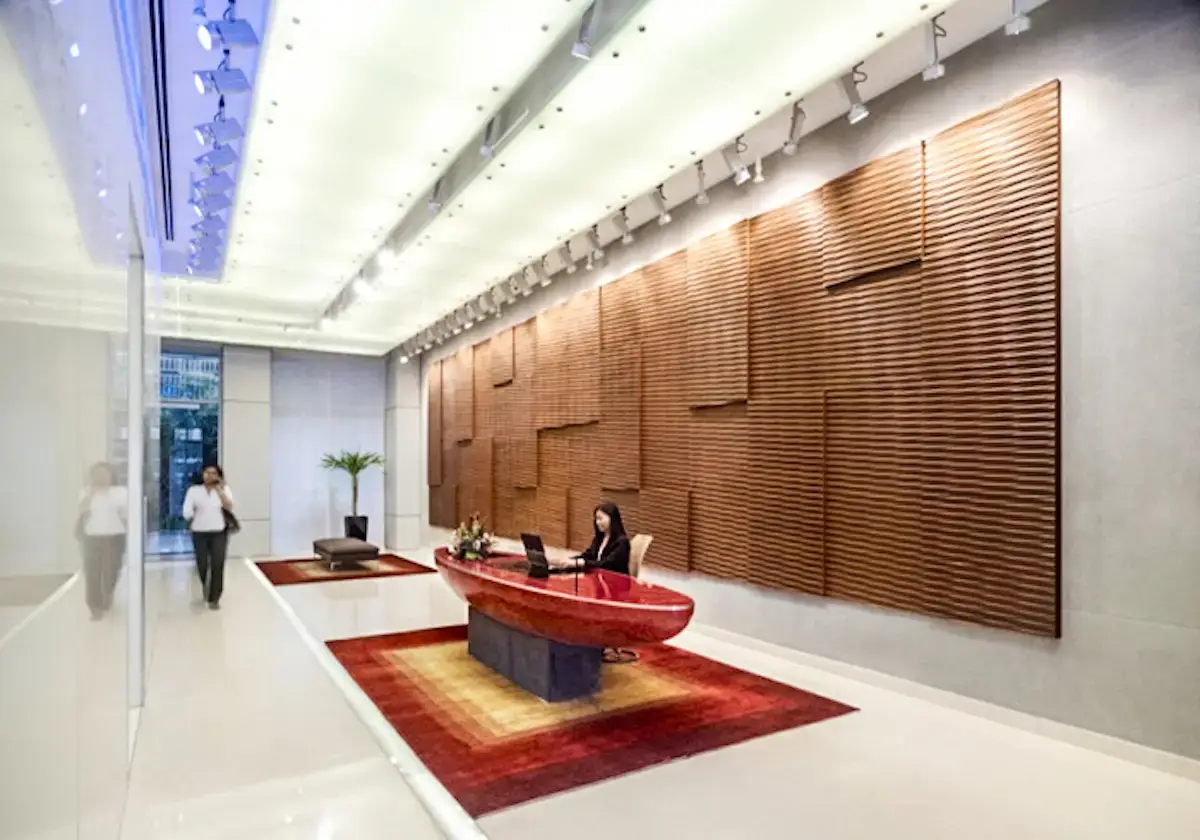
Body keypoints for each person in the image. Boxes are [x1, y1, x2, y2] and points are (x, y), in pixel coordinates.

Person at [78, 462, 127, 620]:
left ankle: (107, 594)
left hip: (115, 537)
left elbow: (125, 515)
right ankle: (95, 606)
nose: (101, 478)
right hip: (92, 537)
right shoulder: (86, 493)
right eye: (97, 474)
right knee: (92, 572)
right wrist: (91, 495)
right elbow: (82, 513)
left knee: (112, 569)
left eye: (104, 474)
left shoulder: (120, 493)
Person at [183, 464, 234, 610]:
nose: (210, 476)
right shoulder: (194, 491)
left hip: (218, 532)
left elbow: (229, 506)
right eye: (207, 472)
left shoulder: (224, 489)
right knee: (203, 564)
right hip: (199, 532)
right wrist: (190, 515)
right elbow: (187, 510)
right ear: (202, 474)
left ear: (218, 475)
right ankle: (206, 588)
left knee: (218, 564)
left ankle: (215, 597)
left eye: (213, 473)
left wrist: (220, 491)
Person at [567, 501, 631, 575]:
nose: (597, 522)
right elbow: (588, 555)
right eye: (596, 519)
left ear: (612, 518)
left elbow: (606, 564)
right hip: (599, 576)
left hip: (615, 579)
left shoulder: (622, 542)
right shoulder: (599, 538)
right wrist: (571, 560)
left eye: (600, 519)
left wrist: (582, 562)